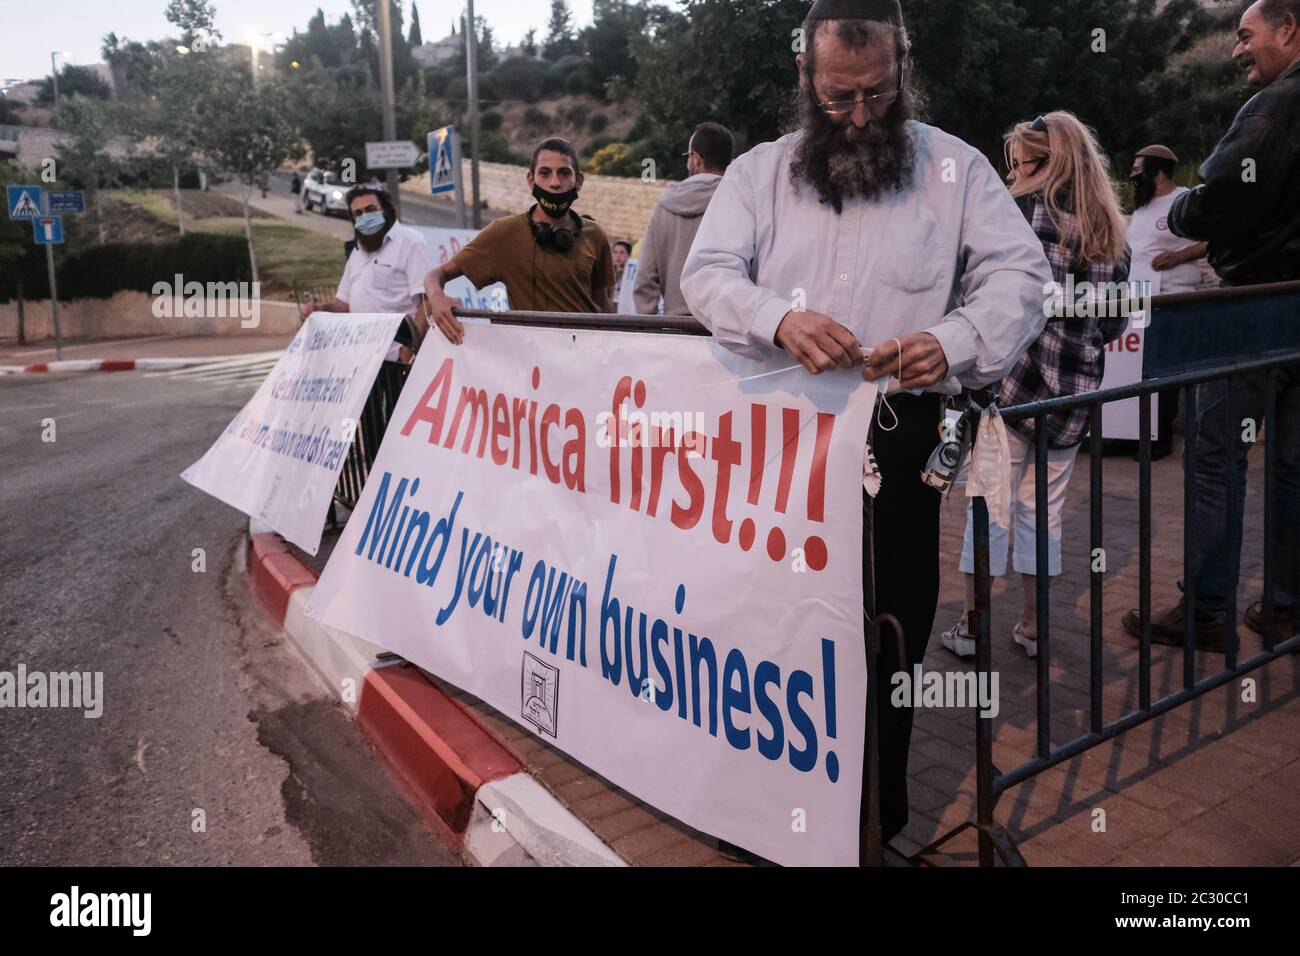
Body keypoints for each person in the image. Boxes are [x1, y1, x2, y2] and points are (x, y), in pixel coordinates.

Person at [680, 0, 1050, 847]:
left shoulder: (955, 169)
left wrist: (950, 341)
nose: (857, 117)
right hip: (776, 442)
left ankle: (870, 822)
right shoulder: (759, 174)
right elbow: (707, 276)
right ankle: (766, 811)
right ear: (807, 78)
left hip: (897, 436)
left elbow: (1019, 279)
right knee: (769, 625)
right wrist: (777, 319)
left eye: (876, 95)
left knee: (891, 628)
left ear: (902, 70)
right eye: (839, 96)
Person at [1122, 0, 1300, 650]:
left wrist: (1186, 207)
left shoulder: (1277, 106)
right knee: (1290, 466)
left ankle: (1204, 610)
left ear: (1289, 29)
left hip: (1255, 311)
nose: (1235, 49)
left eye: (1245, 35)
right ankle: (1284, 606)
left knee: (1216, 459)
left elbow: (1220, 196)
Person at [940, 112, 1132, 661]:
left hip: (1012, 387)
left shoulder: (1019, 214)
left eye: (1018, 162)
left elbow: (979, 293)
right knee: (1040, 512)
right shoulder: (1110, 230)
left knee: (988, 507)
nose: (1012, 172)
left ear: (1041, 162)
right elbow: (1115, 323)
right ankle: (1034, 626)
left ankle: (975, 629)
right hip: (1074, 394)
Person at [424, 137, 617, 343]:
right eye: (545, 173)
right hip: (531, 362)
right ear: (531, 180)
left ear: (578, 181)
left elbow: (601, 303)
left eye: (564, 173)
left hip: (585, 358)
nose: (555, 182)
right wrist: (437, 297)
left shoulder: (595, 234)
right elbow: (436, 275)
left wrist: (617, 345)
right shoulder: (504, 232)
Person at [1120, 144, 1208, 459]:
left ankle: (1162, 437)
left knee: (1164, 370)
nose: (1131, 172)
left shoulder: (1185, 199)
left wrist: (1178, 256)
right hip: (1140, 299)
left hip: (1173, 298)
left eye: (1137, 166)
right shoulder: (1142, 207)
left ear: (1156, 168)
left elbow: (1211, 239)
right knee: (1137, 370)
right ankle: (1134, 434)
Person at [302, 185, 432, 364]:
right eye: (358, 213)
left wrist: (409, 350)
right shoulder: (357, 252)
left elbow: (427, 301)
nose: (365, 217)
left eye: (371, 210)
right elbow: (343, 305)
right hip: (362, 359)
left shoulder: (410, 243)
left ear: (387, 210)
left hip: (397, 359)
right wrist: (320, 309)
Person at [634, 122, 735, 317]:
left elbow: (645, 279)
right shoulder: (740, 202)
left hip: (676, 330)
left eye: (688, 156)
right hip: (727, 331)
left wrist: (649, 330)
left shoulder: (664, 206)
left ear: (696, 159)